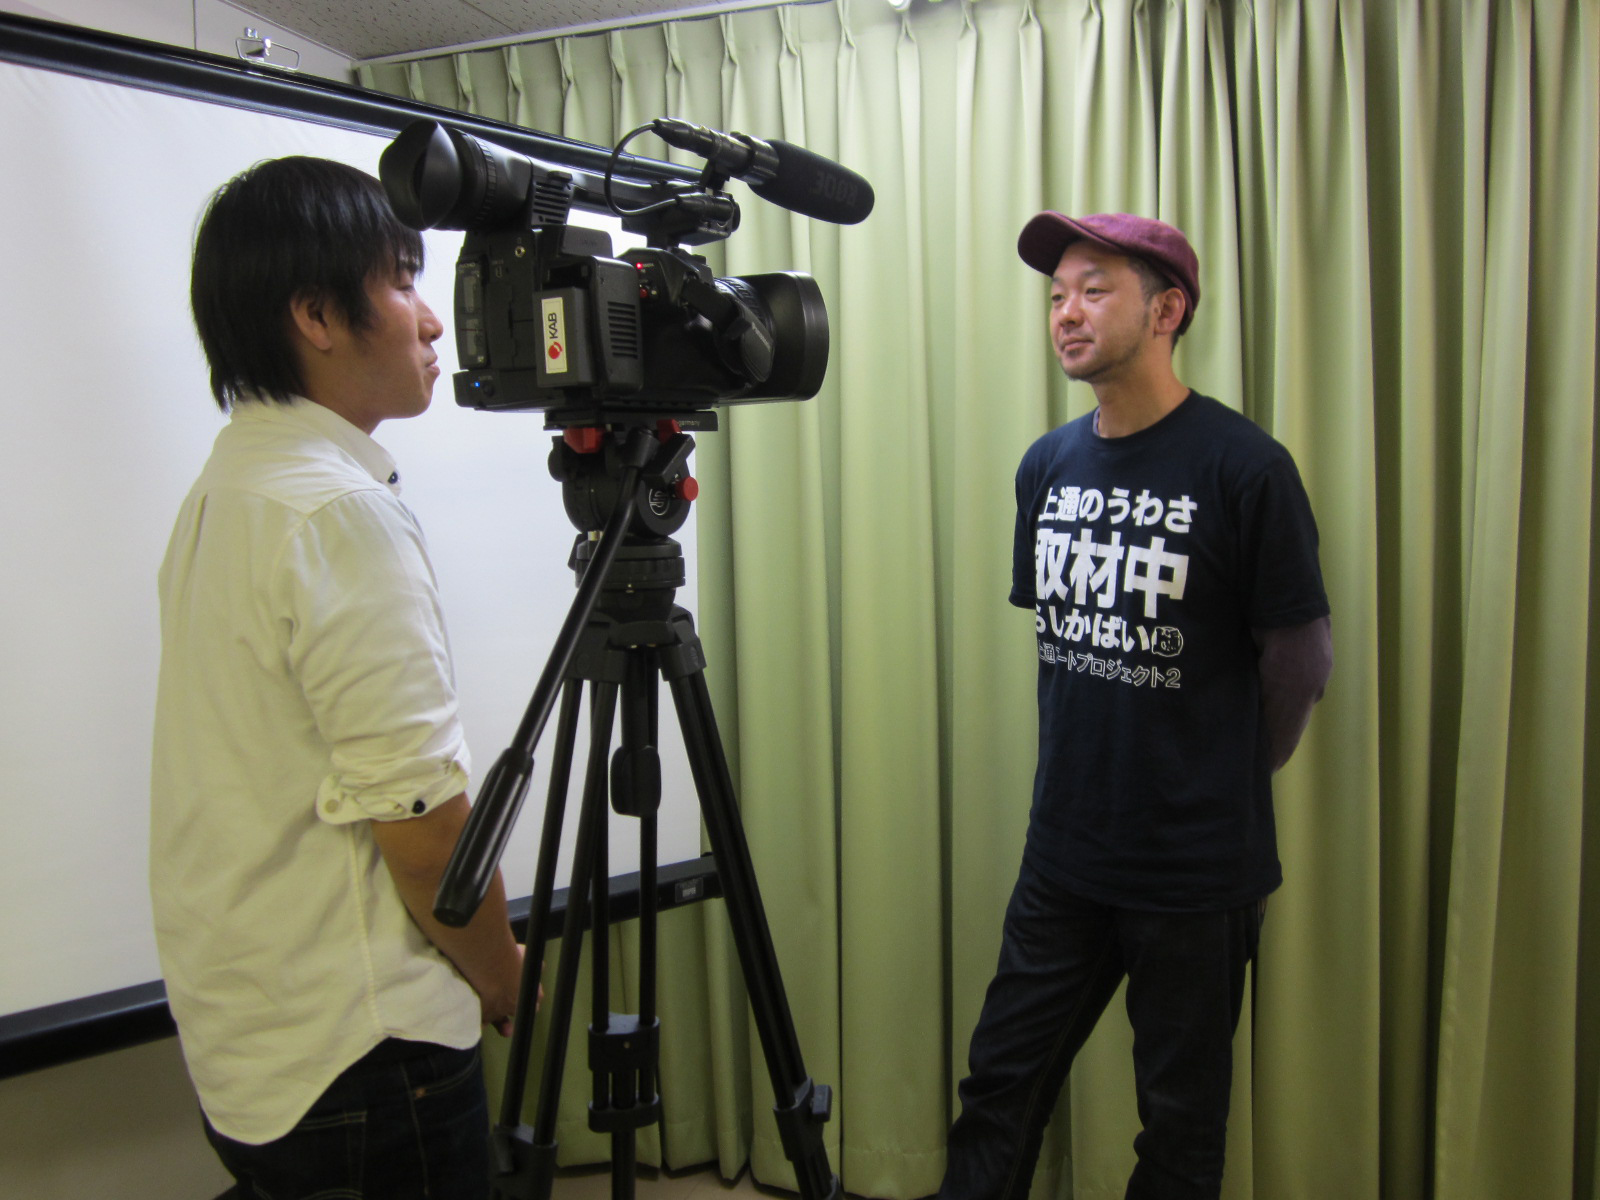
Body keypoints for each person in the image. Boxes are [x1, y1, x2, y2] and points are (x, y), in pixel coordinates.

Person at [938, 213, 1333, 1200]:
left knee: (1179, 1127)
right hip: (1065, 852)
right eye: (1056, 295)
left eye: (1093, 289)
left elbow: (1299, 659)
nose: (1066, 313)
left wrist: (1221, 772)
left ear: (1166, 312)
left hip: (1195, 871)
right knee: (999, 1088)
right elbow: (1068, 638)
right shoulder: (1047, 466)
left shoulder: (1245, 468)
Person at [150, 156, 523, 1200]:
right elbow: (425, 833)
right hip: (364, 1049)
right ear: (315, 315)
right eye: (402, 282)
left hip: (257, 1043)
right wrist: (503, 976)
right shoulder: (337, 512)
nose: (433, 321)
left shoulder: (228, 487)